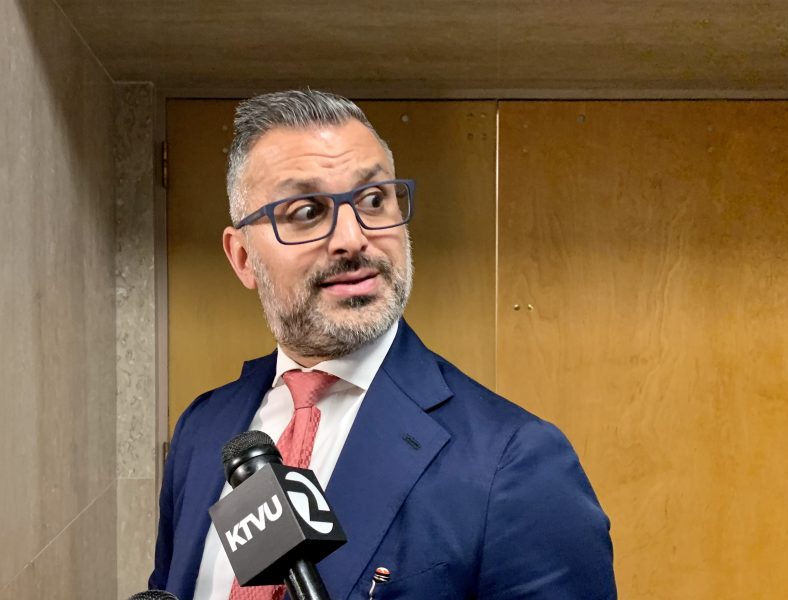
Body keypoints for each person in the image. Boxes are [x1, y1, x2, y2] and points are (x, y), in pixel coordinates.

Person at [150, 90, 616, 599]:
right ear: (242, 257)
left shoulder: (517, 462)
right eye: (307, 211)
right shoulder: (203, 429)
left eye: (373, 201)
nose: (351, 238)